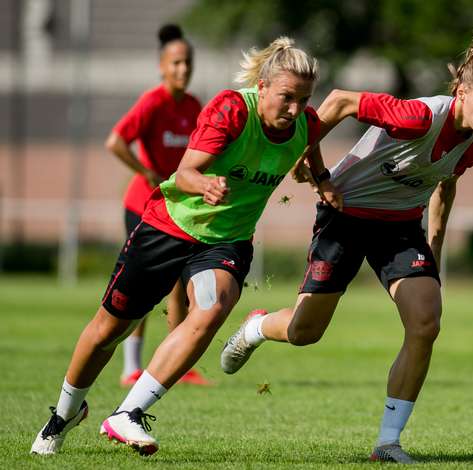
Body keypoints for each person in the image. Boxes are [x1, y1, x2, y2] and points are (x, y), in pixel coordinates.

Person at [219, 29, 473, 464]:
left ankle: (388, 442)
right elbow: (341, 99)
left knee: (426, 324)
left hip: (399, 228)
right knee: (306, 333)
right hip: (345, 215)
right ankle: (257, 327)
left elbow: (445, 183)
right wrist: (308, 156)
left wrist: (434, 242)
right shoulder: (416, 116)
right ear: (461, 92)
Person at [31, 36, 332, 456]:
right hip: (168, 227)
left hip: (225, 241)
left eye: (304, 99)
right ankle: (64, 414)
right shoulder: (231, 108)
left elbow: (311, 144)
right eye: (287, 98)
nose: (295, 109)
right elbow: (185, 172)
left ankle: (128, 413)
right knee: (108, 329)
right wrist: (206, 183)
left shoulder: (306, 123)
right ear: (263, 87)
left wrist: (322, 179)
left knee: (212, 309)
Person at [105, 23, 208, 387]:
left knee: (180, 283)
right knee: (141, 284)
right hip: (143, 205)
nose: (183, 69)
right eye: (176, 63)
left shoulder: (194, 105)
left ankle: (178, 365)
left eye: (188, 63)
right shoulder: (153, 102)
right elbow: (116, 141)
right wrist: (145, 171)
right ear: (162, 66)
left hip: (177, 208)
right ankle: (130, 367)